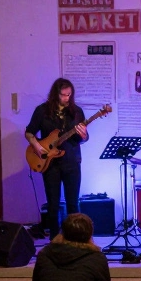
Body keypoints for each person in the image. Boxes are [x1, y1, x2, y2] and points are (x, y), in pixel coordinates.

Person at [24, 78, 89, 239]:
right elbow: (29, 132)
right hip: (50, 164)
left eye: (69, 95)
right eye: (63, 95)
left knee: (73, 203)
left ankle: (74, 240)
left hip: (72, 162)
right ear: (55, 94)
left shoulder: (77, 112)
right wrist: (37, 146)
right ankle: (54, 241)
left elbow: (84, 138)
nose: (67, 98)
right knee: (53, 205)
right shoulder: (42, 111)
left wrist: (84, 134)